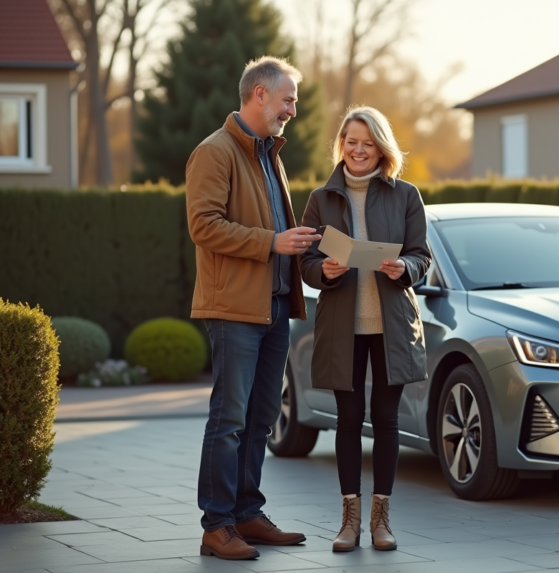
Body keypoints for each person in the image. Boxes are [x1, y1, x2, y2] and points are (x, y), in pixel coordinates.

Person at [185, 56, 321, 561]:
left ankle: (247, 513)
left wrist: (301, 246)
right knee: (230, 419)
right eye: (288, 98)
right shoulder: (214, 152)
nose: (293, 108)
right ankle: (217, 525)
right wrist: (273, 242)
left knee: (262, 417)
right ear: (259, 94)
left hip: (274, 309)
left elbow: (272, 233)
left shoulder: (269, 154)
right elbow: (204, 226)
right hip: (235, 310)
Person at [300, 106, 431, 552]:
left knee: (388, 420)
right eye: (352, 142)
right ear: (342, 145)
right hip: (343, 325)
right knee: (349, 421)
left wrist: (404, 267)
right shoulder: (321, 198)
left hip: (390, 324)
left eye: (368, 142)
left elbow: (422, 257)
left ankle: (381, 521)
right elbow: (307, 263)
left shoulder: (406, 195)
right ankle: (349, 522)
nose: (359, 150)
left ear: (381, 147)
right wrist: (326, 271)